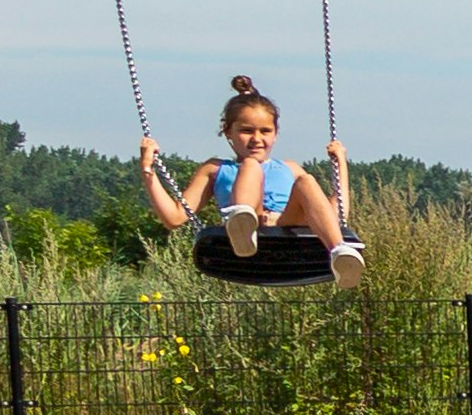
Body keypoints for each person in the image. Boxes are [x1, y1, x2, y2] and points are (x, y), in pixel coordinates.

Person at [138, 82, 361, 280]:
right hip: (246, 230)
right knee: (250, 165)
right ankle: (243, 222)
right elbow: (173, 218)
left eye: (265, 131)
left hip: (287, 225)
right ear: (228, 132)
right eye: (246, 131)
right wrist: (148, 169)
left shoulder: (289, 168)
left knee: (307, 181)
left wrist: (340, 163)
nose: (257, 139)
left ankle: (338, 252)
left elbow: (336, 216)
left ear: (275, 134)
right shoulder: (216, 169)